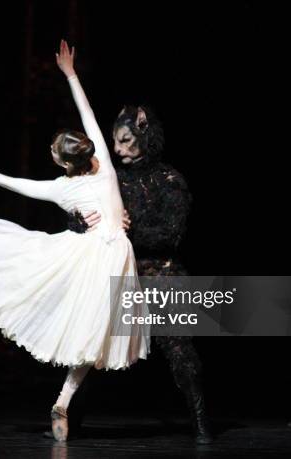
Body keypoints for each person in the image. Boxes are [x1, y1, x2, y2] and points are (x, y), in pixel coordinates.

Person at [0, 40, 150, 442]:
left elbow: (16, 185)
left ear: (64, 163)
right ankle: (63, 401)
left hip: (100, 255)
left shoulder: (63, 189)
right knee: (88, 331)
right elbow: (87, 114)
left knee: (86, 329)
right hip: (110, 254)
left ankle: (62, 403)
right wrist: (71, 74)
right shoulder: (104, 162)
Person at [68, 104, 213, 444]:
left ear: (145, 135)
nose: (117, 150)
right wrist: (81, 221)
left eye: (126, 140)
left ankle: (203, 426)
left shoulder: (170, 181)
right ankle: (69, 426)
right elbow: (77, 216)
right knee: (91, 348)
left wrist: (128, 230)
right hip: (117, 273)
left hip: (159, 274)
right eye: (115, 142)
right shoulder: (110, 180)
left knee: (180, 350)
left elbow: (171, 235)